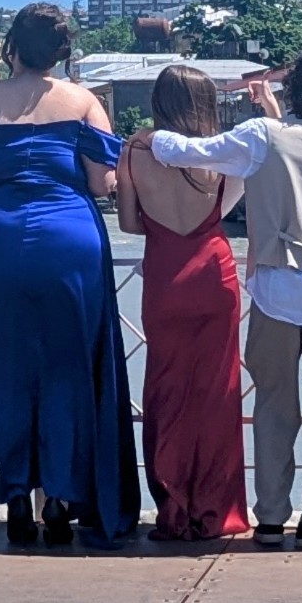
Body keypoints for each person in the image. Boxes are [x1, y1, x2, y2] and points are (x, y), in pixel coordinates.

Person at [146, 40, 302, 548]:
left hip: (276, 287)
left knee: (275, 407)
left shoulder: (261, 136)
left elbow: (187, 151)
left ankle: (271, 518)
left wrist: (148, 138)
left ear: (293, 88)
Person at [0, 3, 137, 549]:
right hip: (70, 242)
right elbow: (101, 182)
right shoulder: (83, 101)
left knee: (6, 372)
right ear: (60, 52)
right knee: (67, 371)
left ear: (12, 47)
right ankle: (59, 497)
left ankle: (15, 497)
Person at [118, 63, 249, 543]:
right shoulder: (221, 152)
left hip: (165, 276)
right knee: (217, 394)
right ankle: (216, 510)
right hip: (214, 273)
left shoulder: (134, 150)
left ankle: (173, 509)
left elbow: (128, 223)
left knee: (166, 391)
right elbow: (226, 209)